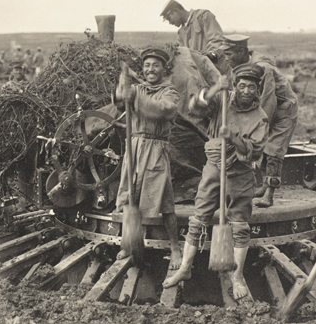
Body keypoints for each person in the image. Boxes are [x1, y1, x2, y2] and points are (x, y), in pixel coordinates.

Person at [163, 64, 269, 300]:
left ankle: (237, 276)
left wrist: (234, 139)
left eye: (251, 87)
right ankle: (185, 268)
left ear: (257, 89)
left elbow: (254, 152)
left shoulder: (259, 118)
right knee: (198, 217)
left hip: (240, 173)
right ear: (235, 85)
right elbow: (194, 107)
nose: (245, 90)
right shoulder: (223, 100)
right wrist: (215, 89)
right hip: (213, 167)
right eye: (241, 85)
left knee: (239, 224)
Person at [114, 48, 182, 268]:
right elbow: (118, 100)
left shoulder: (169, 92)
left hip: (155, 148)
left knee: (165, 200)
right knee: (128, 195)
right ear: (142, 69)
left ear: (163, 69)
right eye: (147, 66)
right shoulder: (137, 88)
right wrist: (121, 84)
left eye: (155, 65)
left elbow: (162, 110)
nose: (151, 70)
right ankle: (128, 243)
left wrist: (135, 98)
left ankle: (175, 248)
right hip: (133, 146)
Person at [219, 34, 298, 207]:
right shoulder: (241, 67)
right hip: (268, 109)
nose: (226, 58)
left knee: (273, 150)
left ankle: (269, 194)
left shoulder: (263, 68)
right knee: (262, 146)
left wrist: (256, 126)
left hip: (283, 111)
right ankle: (263, 185)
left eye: (229, 54)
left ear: (241, 51)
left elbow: (268, 100)